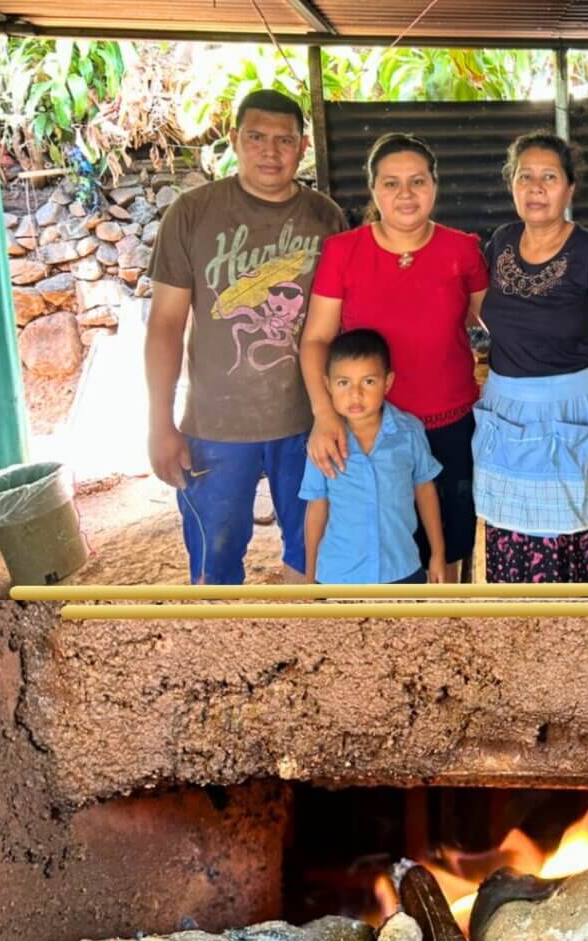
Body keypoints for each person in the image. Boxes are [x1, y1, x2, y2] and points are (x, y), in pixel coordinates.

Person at [146, 89, 346, 584]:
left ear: (303, 148)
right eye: (256, 137)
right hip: (215, 426)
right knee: (214, 562)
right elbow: (166, 325)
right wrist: (159, 423)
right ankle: (220, 655)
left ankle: (306, 650)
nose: (270, 152)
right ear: (234, 140)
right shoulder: (191, 214)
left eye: (284, 140)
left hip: (307, 421)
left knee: (312, 554)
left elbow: (342, 324)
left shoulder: (327, 219)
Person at [299, 133, 488, 582]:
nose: (405, 194)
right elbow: (315, 341)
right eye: (391, 183)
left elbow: (501, 324)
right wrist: (325, 415)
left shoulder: (461, 250)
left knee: (450, 540)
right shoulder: (344, 251)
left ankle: (444, 628)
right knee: (375, 536)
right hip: (367, 428)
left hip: (449, 424)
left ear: (435, 186)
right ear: (373, 190)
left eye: (417, 181)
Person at [472, 129, 588, 583]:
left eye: (549, 177)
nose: (536, 188)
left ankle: (576, 645)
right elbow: (482, 311)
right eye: (525, 176)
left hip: (574, 415)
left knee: (574, 536)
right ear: (511, 185)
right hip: (507, 413)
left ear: (569, 188)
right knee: (511, 537)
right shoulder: (501, 242)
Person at [298, 329, 446, 584]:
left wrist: (438, 554)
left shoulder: (408, 432)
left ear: (387, 383)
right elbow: (316, 508)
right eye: (343, 383)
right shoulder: (324, 443)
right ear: (328, 385)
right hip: (338, 577)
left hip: (401, 570)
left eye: (368, 382)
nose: (355, 395)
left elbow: (425, 491)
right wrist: (311, 576)